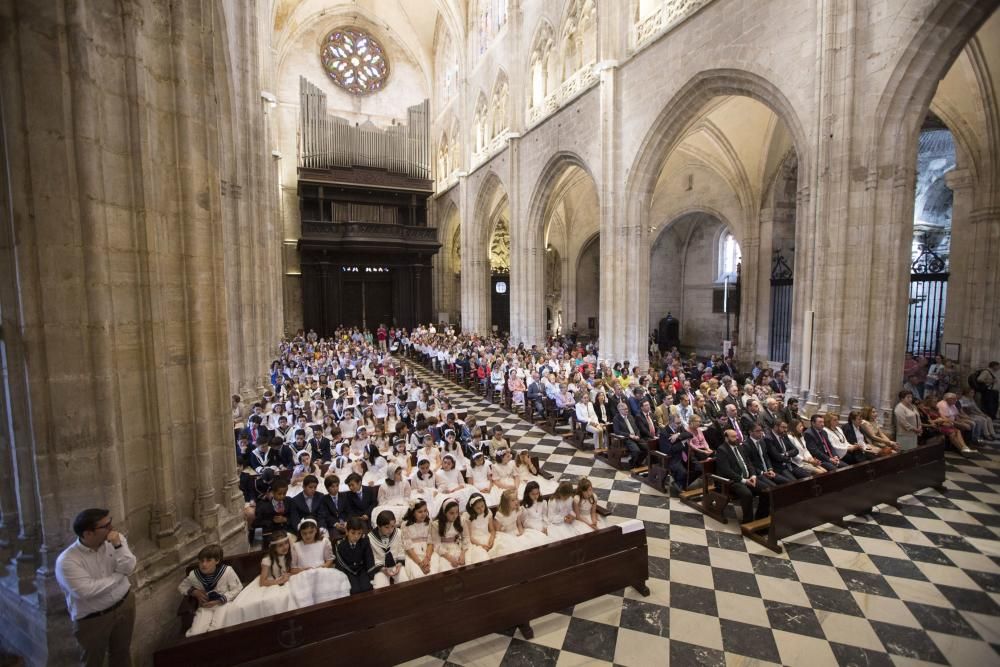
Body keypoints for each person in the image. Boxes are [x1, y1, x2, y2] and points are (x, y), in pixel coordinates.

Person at [55, 509, 137, 667]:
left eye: (110, 522)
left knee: (122, 654)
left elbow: (129, 566)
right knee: (93, 662)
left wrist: (119, 546)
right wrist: (119, 576)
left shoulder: (116, 540)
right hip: (93, 619)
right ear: (88, 534)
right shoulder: (67, 560)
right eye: (106, 526)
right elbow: (86, 591)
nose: (111, 528)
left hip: (124, 605)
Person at [714, 429, 771, 522]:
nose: (736, 438)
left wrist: (753, 475)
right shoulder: (722, 450)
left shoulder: (740, 447)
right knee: (747, 494)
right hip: (732, 481)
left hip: (748, 478)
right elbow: (726, 471)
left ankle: (761, 517)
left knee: (767, 490)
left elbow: (748, 463)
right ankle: (748, 521)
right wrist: (744, 480)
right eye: (733, 437)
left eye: (736, 436)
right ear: (726, 438)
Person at [401, 500, 448, 579]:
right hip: (413, 555)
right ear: (413, 512)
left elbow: (430, 542)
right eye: (420, 512)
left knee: (434, 571)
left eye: (425, 511)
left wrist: (427, 558)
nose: (423, 514)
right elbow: (408, 547)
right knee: (417, 574)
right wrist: (420, 564)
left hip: (428, 552)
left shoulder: (429, 522)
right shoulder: (405, 525)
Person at [335, 517, 379, 594]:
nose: (356, 536)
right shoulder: (340, 545)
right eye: (353, 533)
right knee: (354, 590)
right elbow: (340, 565)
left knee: (367, 588)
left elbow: (369, 559)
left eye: (359, 533)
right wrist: (342, 579)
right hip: (348, 571)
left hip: (361, 569)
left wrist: (371, 576)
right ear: (347, 531)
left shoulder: (364, 541)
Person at [369, 511, 408, 588]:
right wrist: (382, 568)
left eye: (393, 526)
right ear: (379, 526)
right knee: (379, 587)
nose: (390, 530)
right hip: (381, 567)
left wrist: (399, 563)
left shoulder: (398, 532)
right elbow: (372, 557)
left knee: (405, 581)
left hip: (396, 564)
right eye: (386, 527)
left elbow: (401, 549)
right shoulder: (370, 538)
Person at [612, 401, 646, 468]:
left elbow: (636, 428)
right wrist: (629, 435)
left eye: (627, 408)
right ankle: (632, 464)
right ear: (619, 410)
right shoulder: (616, 418)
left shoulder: (630, 416)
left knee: (646, 448)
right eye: (624, 409)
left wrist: (638, 435)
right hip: (627, 438)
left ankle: (637, 462)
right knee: (636, 451)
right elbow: (617, 431)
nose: (626, 410)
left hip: (636, 437)